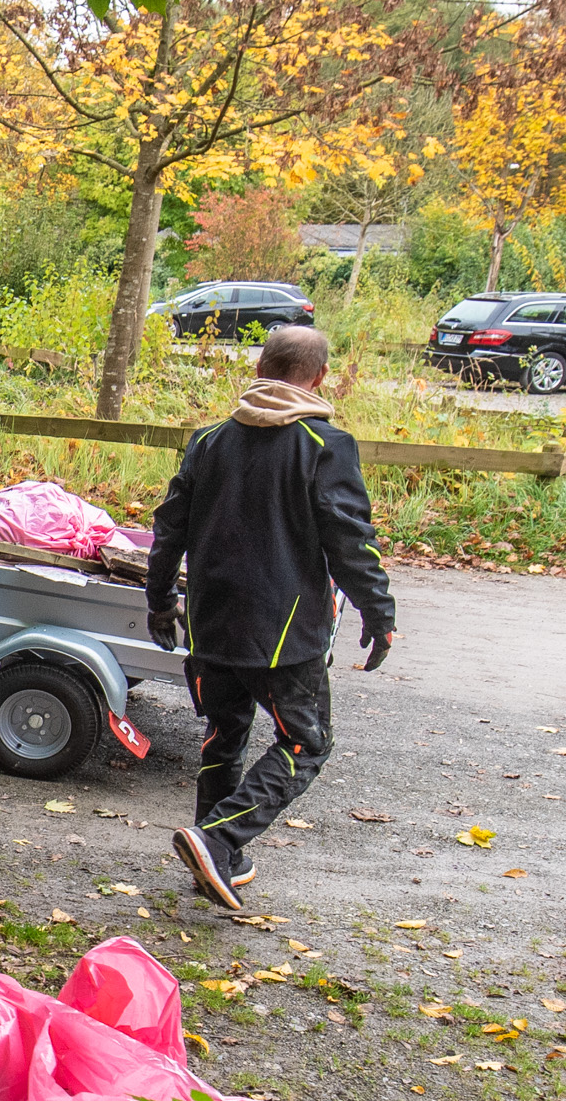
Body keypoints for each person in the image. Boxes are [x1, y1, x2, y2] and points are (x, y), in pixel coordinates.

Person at [144, 324, 396, 913]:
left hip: (212, 624)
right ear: (321, 378)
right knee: (307, 744)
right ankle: (218, 840)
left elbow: (168, 527)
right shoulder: (324, 444)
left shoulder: (208, 442)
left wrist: (160, 600)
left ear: (258, 368)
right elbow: (351, 541)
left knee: (221, 740)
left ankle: (217, 861)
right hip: (286, 636)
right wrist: (378, 613)